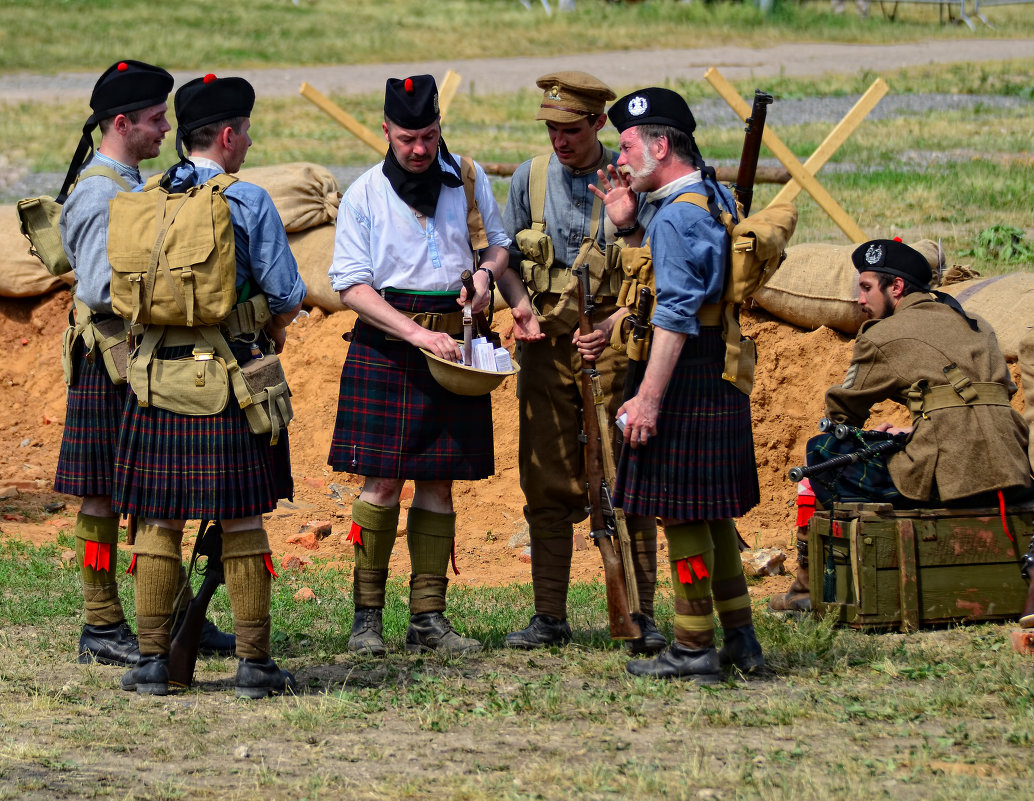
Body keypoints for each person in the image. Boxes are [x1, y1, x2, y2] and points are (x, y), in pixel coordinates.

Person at [329, 74, 543, 656]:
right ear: (386, 133)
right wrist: (415, 333)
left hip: (458, 339)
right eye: (406, 139)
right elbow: (349, 285)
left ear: (438, 126)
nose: (419, 149)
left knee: (439, 482)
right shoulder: (364, 194)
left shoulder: (467, 181)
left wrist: (481, 277)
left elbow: (499, 245)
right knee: (380, 483)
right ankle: (365, 618)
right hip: (390, 341)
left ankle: (428, 616)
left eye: (427, 135)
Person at [114, 73, 306, 697]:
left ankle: (148, 662)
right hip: (231, 379)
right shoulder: (246, 200)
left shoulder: (147, 196)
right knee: (244, 520)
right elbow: (288, 294)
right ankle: (253, 665)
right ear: (227, 134)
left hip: (154, 378)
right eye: (245, 132)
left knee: (158, 521)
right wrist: (267, 331)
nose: (248, 143)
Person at [55, 59, 233, 668]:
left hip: (143, 360)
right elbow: (105, 289)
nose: (166, 128)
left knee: (154, 491)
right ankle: (101, 622)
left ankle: (178, 613)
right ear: (123, 123)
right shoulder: (99, 193)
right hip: (109, 359)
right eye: (156, 119)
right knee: (102, 494)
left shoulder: (135, 185)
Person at [590, 87, 763, 681]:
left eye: (629, 145)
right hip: (715, 364)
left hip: (684, 370)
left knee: (685, 516)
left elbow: (673, 312)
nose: (620, 156)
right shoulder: (711, 197)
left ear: (662, 146)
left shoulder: (678, 215)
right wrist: (632, 225)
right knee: (713, 514)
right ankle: (740, 638)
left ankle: (693, 646)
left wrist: (648, 399)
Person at [500, 71, 664, 653]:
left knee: (626, 478)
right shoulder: (530, 178)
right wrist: (520, 309)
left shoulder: (631, 180)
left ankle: (640, 610)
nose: (559, 141)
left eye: (571, 129)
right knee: (545, 478)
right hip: (546, 349)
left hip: (616, 349)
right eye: (551, 129)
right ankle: (549, 617)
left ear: (599, 123)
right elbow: (505, 256)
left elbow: (654, 264)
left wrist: (616, 323)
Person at [804, 239, 1032, 510]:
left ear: (897, 287)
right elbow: (994, 397)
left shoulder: (880, 335)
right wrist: (918, 429)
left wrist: (862, 437)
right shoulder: (977, 323)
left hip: (951, 482)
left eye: (867, 288)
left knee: (822, 451)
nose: (860, 299)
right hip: (1014, 472)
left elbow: (842, 414)